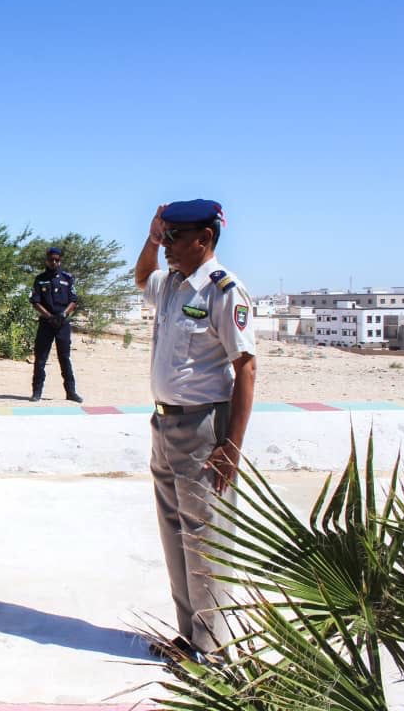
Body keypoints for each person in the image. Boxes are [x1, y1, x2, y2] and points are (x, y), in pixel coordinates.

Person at [133, 199, 256, 663]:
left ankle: (216, 651)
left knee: (206, 539)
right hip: (165, 424)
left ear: (204, 238)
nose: (167, 246)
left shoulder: (224, 291)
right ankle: (190, 639)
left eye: (174, 237)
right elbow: (141, 278)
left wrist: (231, 446)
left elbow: (246, 369)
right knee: (174, 535)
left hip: (205, 428)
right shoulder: (171, 284)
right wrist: (150, 238)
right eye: (164, 236)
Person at [29, 247, 82, 402]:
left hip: (62, 324)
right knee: (40, 358)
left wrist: (63, 314)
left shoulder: (67, 278)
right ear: (46, 260)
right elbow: (35, 301)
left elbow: (73, 300)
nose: (54, 262)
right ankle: (37, 392)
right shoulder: (40, 279)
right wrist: (49, 316)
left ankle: (71, 392)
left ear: (60, 261)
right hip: (46, 323)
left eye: (57, 260)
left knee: (64, 358)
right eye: (51, 259)